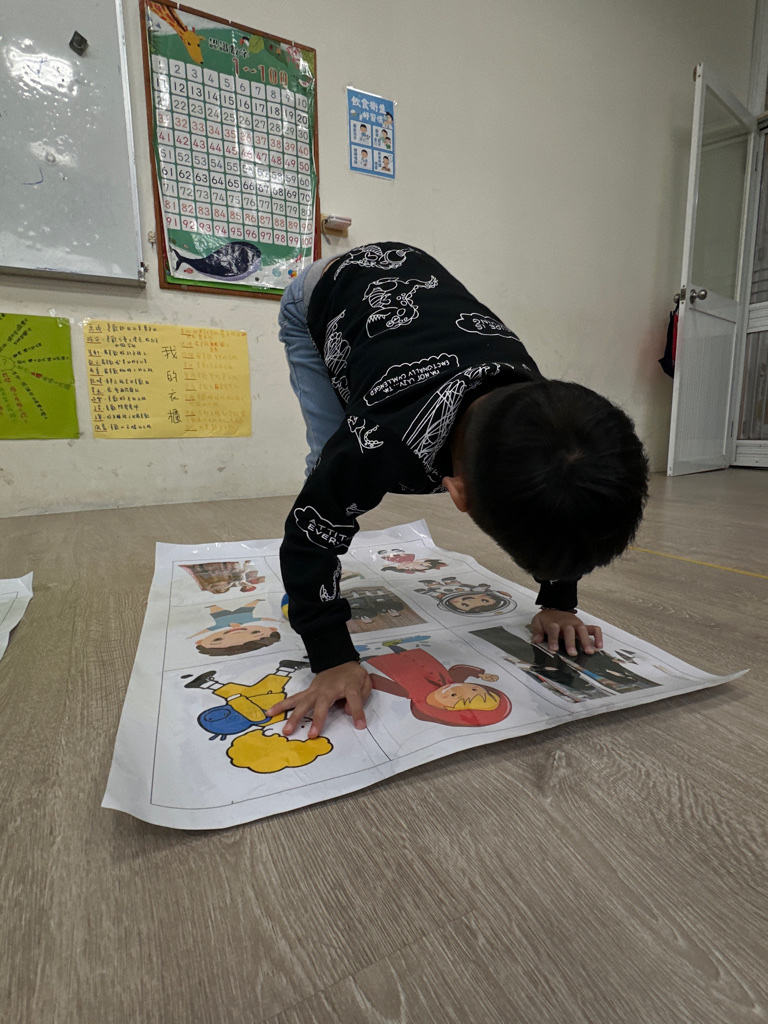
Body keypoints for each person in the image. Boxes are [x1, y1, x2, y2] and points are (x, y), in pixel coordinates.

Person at [268, 242, 649, 738]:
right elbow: (308, 533)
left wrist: (560, 601)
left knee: (341, 469)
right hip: (320, 297)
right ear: (457, 493)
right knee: (328, 465)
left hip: (414, 293)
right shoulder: (380, 443)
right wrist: (332, 656)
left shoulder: (545, 415)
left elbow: (565, 505)